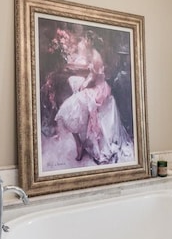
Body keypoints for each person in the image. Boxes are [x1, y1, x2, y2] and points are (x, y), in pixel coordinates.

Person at [55, 31, 132, 164]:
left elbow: (93, 79)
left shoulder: (96, 57)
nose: (83, 42)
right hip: (96, 85)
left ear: (89, 41)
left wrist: (85, 85)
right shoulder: (93, 54)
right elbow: (91, 75)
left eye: (85, 40)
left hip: (99, 90)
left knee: (73, 103)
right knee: (73, 83)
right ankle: (79, 139)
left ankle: (80, 141)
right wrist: (84, 82)